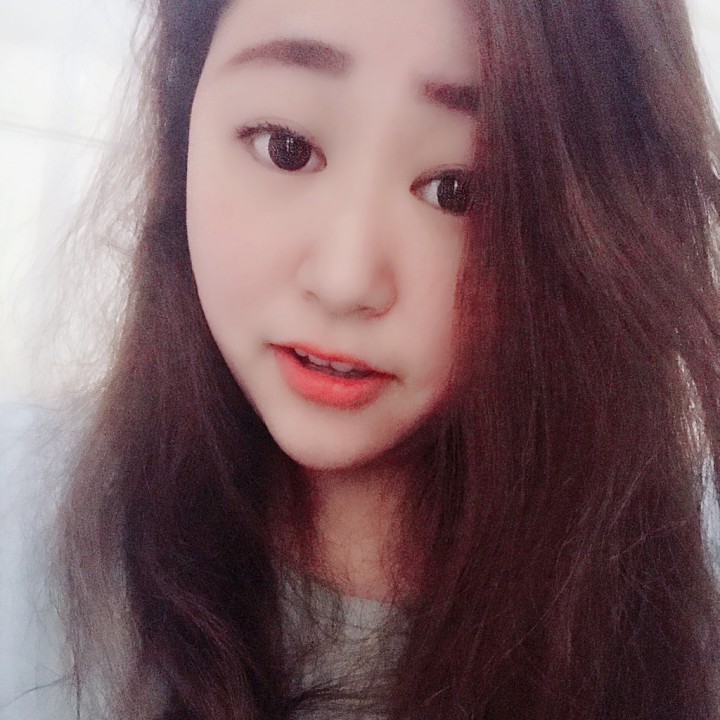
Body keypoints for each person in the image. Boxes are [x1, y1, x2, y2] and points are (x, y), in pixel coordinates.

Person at [53, 0, 720, 717]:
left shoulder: (684, 611)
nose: (345, 281)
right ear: (183, 114)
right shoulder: (22, 520)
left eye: (459, 191)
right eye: (286, 147)